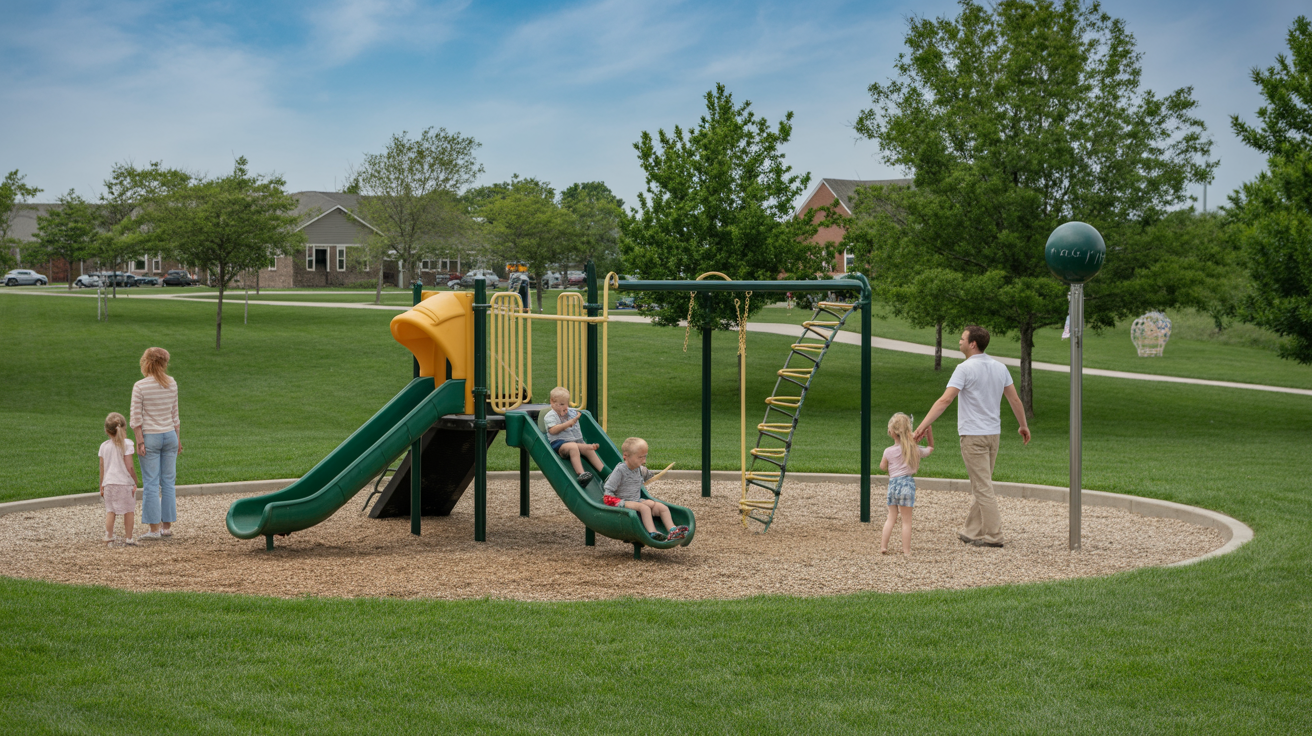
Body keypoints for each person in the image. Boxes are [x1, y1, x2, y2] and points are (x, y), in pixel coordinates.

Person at [914, 326, 1030, 548]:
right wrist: (1023, 425)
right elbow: (1015, 400)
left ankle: (994, 536)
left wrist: (921, 427)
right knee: (982, 483)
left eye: (963, 338)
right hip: (993, 436)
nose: (960, 341)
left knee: (983, 487)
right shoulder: (1000, 367)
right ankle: (971, 531)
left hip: (973, 437)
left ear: (973, 343)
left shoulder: (963, 369)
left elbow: (944, 401)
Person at [131, 347, 181, 540]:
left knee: (151, 483)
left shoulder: (140, 386)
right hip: (170, 435)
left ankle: (153, 530)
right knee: (168, 482)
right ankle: (166, 527)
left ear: (146, 362)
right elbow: (175, 416)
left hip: (150, 436)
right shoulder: (172, 383)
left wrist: (139, 441)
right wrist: (178, 440)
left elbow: (136, 418)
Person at [603, 437, 688, 542]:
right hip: (622, 502)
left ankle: (672, 530)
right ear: (626, 456)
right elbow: (608, 491)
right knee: (644, 508)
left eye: (645, 456)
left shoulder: (639, 469)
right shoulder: (620, 470)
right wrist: (617, 502)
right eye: (640, 457)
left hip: (636, 500)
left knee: (662, 507)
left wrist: (652, 475)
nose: (644, 460)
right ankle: (652, 532)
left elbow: (649, 476)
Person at [880, 413, 932, 555]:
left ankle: (883, 546)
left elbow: (882, 466)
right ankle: (906, 551)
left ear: (892, 432)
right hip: (907, 484)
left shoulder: (888, 451)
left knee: (891, 517)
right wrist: (928, 436)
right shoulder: (913, 449)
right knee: (906, 521)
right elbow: (929, 450)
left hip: (893, 485)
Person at [543, 387, 605, 485]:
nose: (565, 407)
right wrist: (567, 424)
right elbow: (552, 430)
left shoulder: (568, 412)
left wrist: (577, 415)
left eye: (567, 404)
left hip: (576, 441)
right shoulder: (550, 416)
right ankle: (581, 474)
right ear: (552, 402)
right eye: (561, 404)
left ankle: (604, 472)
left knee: (589, 449)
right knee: (573, 447)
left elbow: (577, 414)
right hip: (560, 443)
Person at [98, 412, 138, 546]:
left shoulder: (104, 446)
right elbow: (130, 467)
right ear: (124, 428)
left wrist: (101, 485)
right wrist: (135, 480)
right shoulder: (127, 444)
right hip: (125, 483)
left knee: (111, 511)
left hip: (109, 483)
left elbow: (102, 467)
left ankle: (108, 536)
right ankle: (129, 538)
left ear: (106, 431)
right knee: (129, 510)